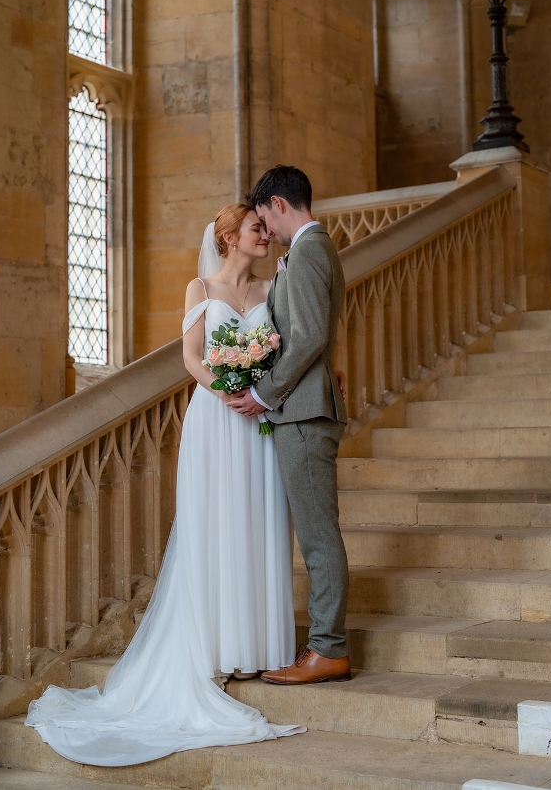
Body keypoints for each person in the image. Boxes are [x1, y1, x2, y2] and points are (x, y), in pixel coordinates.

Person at [25, 203, 305, 766]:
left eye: (266, 229)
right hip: (218, 417)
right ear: (229, 237)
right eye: (255, 229)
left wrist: (261, 388)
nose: (265, 235)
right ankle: (222, 647)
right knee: (218, 524)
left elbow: (287, 345)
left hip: (260, 418)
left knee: (261, 520)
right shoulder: (199, 286)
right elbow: (190, 356)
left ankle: (260, 648)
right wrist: (227, 384)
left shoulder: (275, 285)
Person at [230, 166, 351, 685]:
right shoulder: (318, 248)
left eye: (264, 218)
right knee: (318, 534)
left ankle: (328, 648)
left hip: (300, 414)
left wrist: (261, 393)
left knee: (319, 538)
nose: (267, 230)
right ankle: (325, 645)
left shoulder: (304, 253)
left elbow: (305, 339)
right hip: (306, 408)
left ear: (279, 204)